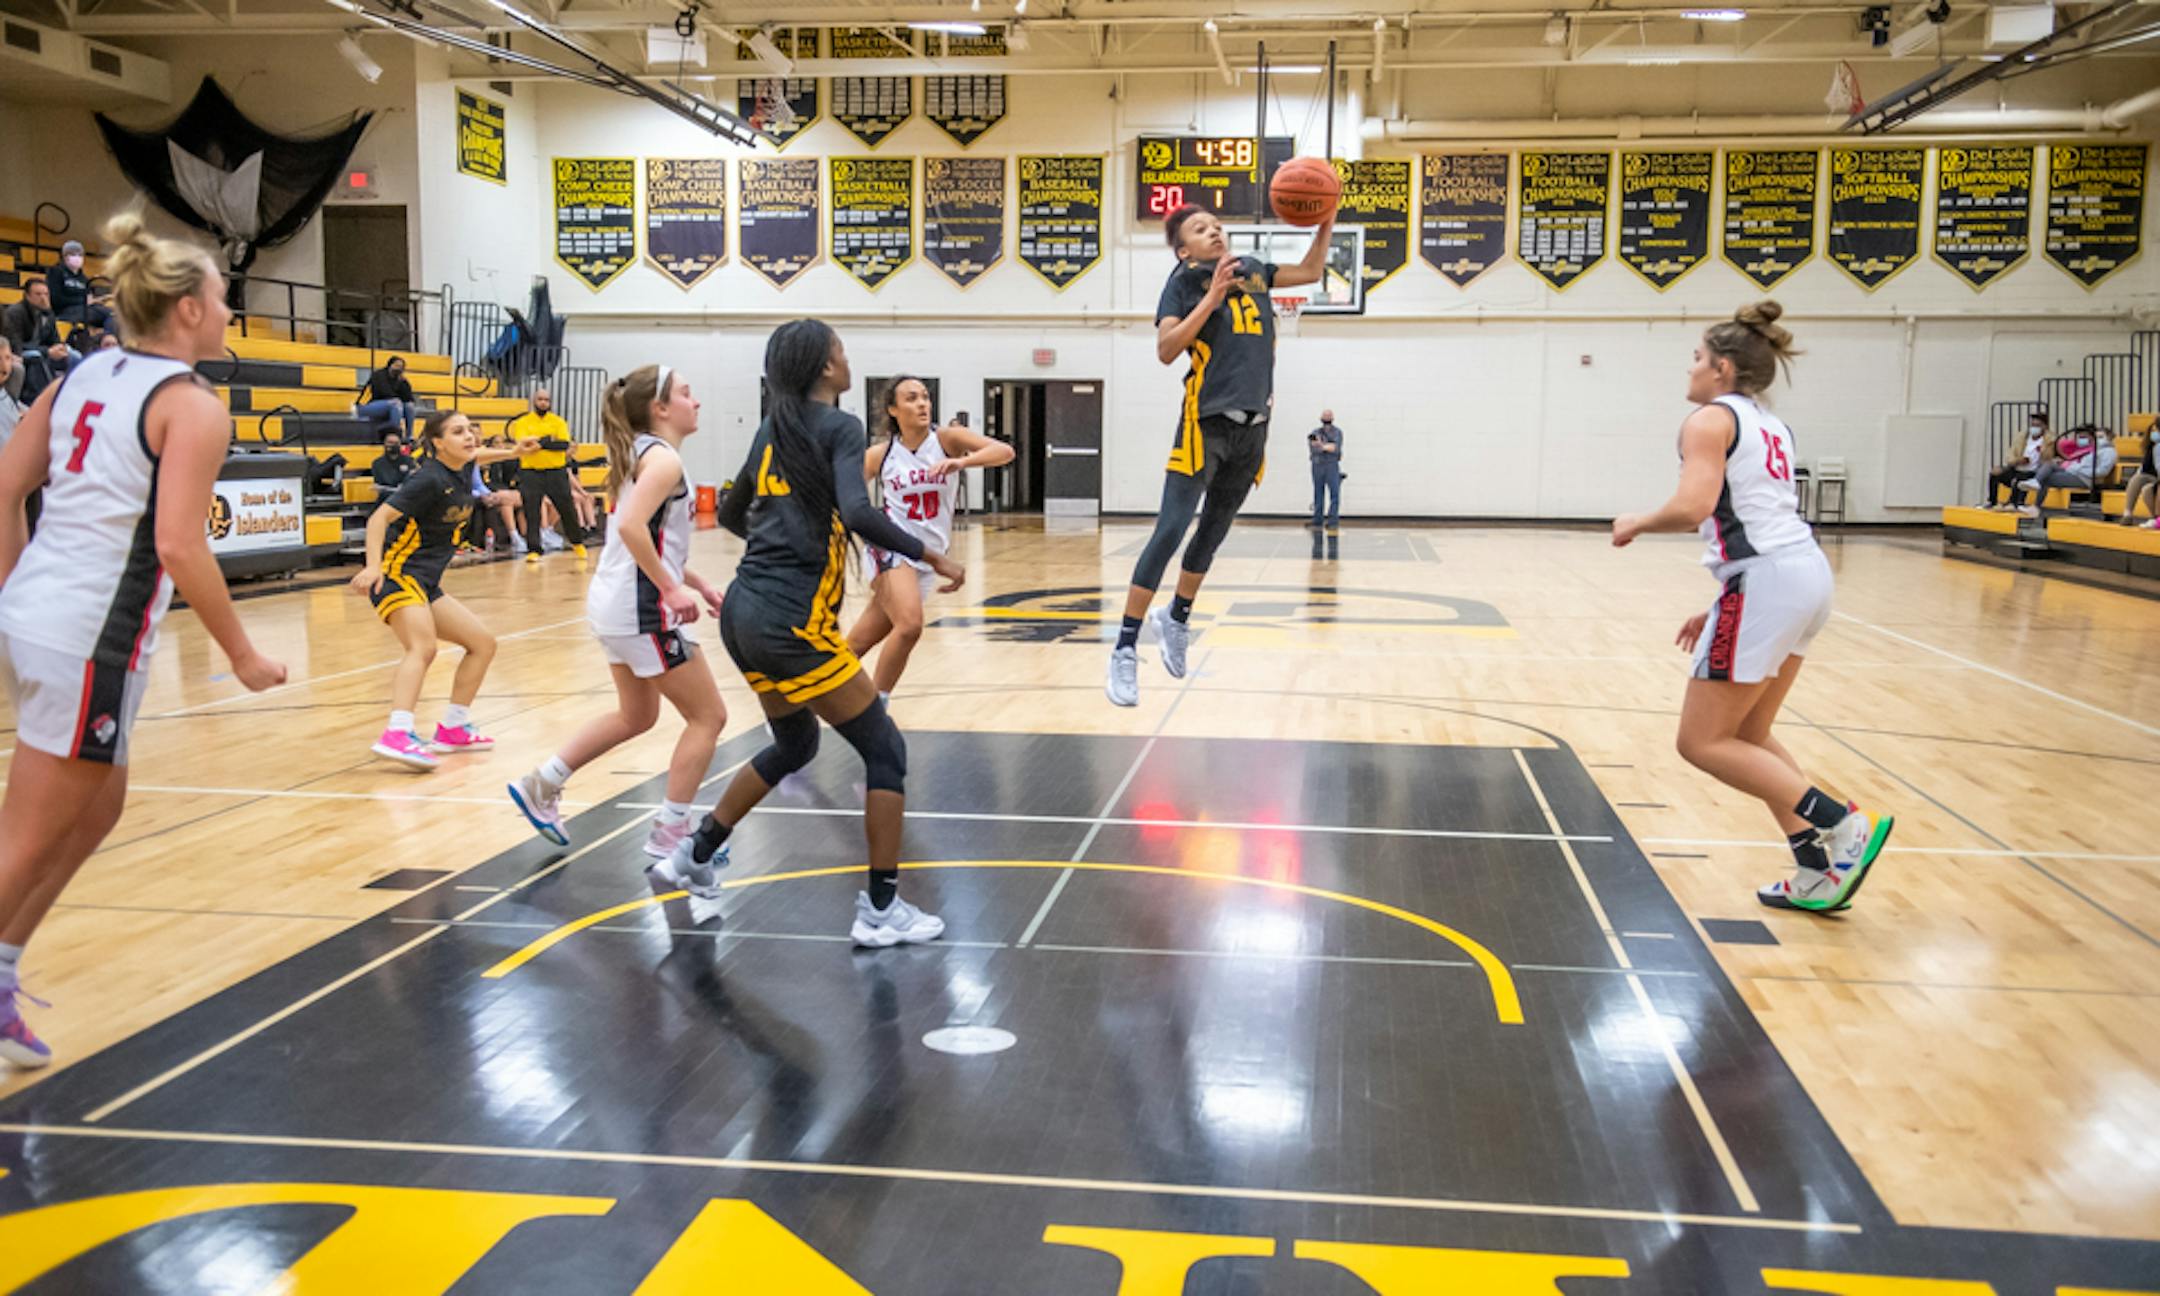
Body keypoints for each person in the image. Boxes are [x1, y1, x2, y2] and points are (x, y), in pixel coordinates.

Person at [0, 212, 288, 1069]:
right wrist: (240, 653)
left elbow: (8, 486)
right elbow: (177, 544)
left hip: (49, 621)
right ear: (191, 308)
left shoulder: (78, 376)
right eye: (226, 298)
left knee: (99, 807)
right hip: (90, 631)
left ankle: (6, 968)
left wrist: (16, 592)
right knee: (31, 834)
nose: (231, 313)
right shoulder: (191, 406)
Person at [663, 320, 965, 947]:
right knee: (885, 753)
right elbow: (857, 510)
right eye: (841, 352)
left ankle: (696, 852)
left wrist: (781, 547)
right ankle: (882, 908)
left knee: (796, 743)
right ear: (825, 368)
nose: (848, 359)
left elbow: (739, 505)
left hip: (746, 611)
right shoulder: (841, 426)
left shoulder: (776, 425)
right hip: (788, 622)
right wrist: (928, 556)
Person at [1610, 300, 1892, 913]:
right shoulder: (1770, 423)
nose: (1690, 369)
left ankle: (1841, 823)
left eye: (1698, 358)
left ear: (1724, 369)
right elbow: (1754, 516)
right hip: (1803, 575)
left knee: (1702, 743)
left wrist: (1637, 521)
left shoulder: (1709, 421)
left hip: (1767, 581)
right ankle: (1817, 869)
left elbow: (1693, 508)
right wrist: (1722, 602)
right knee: (1751, 733)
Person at [1106, 204, 1336, 707]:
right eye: (1199, 228)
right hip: (1204, 423)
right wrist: (1211, 298)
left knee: (1212, 534)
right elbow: (1166, 349)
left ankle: (1178, 618)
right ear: (1184, 248)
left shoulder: (1253, 270)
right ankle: (1124, 647)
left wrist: (1327, 215)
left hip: (1254, 428)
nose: (1213, 230)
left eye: (1216, 225)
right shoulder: (1185, 280)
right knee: (1170, 530)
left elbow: (1314, 270)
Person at [507, 365, 727, 856]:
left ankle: (543, 783)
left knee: (637, 714)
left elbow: (648, 539)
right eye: (688, 393)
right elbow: (629, 528)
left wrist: (699, 583)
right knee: (708, 717)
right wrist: (670, 590)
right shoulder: (663, 460)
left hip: (616, 603)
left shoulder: (642, 455)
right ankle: (672, 833)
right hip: (639, 609)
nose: (698, 403)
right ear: (660, 408)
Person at [349, 410, 533, 771]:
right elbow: (377, 519)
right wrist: (372, 567)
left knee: (482, 644)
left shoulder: (463, 465)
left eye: (470, 431)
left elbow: (480, 455)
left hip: (427, 582)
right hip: (398, 575)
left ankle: (453, 727)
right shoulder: (429, 479)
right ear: (437, 443)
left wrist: (515, 452)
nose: (469, 438)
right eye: (458, 432)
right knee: (423, 647)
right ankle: (397, 733)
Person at [845, 376, 1014, 697]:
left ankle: (797, 700)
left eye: (925, 397)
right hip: (890, 548)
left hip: (926, 557)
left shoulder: (948, 439)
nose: (922, 403)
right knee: (909, 626)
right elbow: (843, 496)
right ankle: (875, 711)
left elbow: (1004, 451)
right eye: (911, 398)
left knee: (859, 642)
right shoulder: (880, 455)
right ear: (893, 409)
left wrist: (961, 461)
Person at [507, 387, 589, 564]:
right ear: (534, 401)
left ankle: (577, 543)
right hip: (530, 472)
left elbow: (563, 444)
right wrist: (548, 441)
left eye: (546, 400)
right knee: (532, 511)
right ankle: (534, 549)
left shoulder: (558, 422)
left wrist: (540, 442)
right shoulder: (523, 422)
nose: (543, 402)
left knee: (567, 508)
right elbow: (523, 443)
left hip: (556, 471)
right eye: (540, 399)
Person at [2018, 424, 2111, 516]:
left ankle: (2036, 504)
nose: (2098, 439)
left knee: (2046, 478)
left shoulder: (2109, 452)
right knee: (2050, 464)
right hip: (2075, 473)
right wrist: (2073, 467)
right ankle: (2035, 483)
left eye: (2101, 437)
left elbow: (2102, 471)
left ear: (2109, 438)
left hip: (2084, 478)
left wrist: (2078, 469)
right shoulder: (2094, 450)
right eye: (2097, 436)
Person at [1, 279, 70, 400]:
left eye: (46, 294)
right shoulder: (15, 312)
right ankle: (43, 399)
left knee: (73, 354)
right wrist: (47, 351)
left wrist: (60, 347)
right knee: (36, 356)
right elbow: (16, 344)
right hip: (18, 352)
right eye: (38, 294)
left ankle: (69, 397)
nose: (43, 298)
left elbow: (55, 339)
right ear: (27, 296)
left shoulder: (49, 313)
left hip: (41, 350)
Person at [47, 240, 114, 337]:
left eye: (80, 255)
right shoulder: (56, 272)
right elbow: (55, 299)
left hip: (85, 309)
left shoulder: (83, 278)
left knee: (112, 313)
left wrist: (98, 300)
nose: (77, 257)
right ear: (64, 256)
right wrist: (83, 301)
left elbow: (88, 296)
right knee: (105, 314)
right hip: (65, 311)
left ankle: (108, 340)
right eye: (73, 254)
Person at [1984, 411, 2049, 509]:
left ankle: (2013, 503)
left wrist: (2042, 452)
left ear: (2044, 427)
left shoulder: (2049, 441)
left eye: (2038, 425)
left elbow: (2051, 458)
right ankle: (1992, 501)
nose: (2034, 428)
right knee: (1995, 472)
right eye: (2032, 425)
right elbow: (2010, 454)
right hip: (2017, 467)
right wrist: (2017, 460)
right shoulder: (2022, 437)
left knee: (2020, 479)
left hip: (2033, 471)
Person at [356, 356, 419, 438]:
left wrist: (404, 384)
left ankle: (409, 436)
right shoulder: (379, 375)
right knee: (396, 403)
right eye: (396, 365)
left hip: (388, 406)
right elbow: (385, 393)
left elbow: (408, 398)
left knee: (409, 406)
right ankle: (394, 434)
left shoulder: (400, 379)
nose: (398, 368)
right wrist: (397, 397)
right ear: (390, 365)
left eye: (401, 367)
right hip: (365, 406)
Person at [1308, 409, 1343, 530]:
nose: (1327, 418)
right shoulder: (1314, 432)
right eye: (1325, 415)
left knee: (1335, 494)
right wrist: (1327, 446)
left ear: (1332, 418)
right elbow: (1314, 447)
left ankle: (1333, 521)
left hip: (1332, 466)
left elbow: (1335, 449)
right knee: (1318, 493)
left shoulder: (1338, 432)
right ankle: (1317, 521)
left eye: (1329, 416)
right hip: (1317, 465)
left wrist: (1321, 445)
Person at [2118, 428, 2158, 528]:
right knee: (2138, 478)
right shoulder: (2151, 448)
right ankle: (2127, 514)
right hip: (2154, 477)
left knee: (2147, 489)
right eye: (2152, 431)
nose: (2154, 433)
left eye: (2157, 430)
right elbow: (2145, 469)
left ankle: (2156, 519)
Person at [370, 429, 415, 497]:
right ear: (384, 443)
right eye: (390, 442)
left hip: (405, 499)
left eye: (396, 443)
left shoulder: (409, 461)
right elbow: (379, 485)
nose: (393, 445)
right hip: (385, 500)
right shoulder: (377, 463)